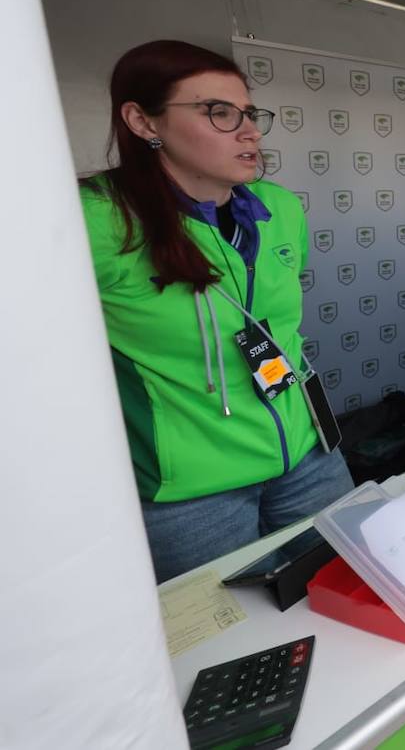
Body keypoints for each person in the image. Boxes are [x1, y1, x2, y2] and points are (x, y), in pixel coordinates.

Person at [80, 40, 353, 583]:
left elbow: (278, 329)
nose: (250, 131)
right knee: (232, 648)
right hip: (193, 492)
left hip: (308, 455)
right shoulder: (96, 220)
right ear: (141, 120)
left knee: (355, 588)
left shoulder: (280, 207)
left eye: (249, 113)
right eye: (219, 113)